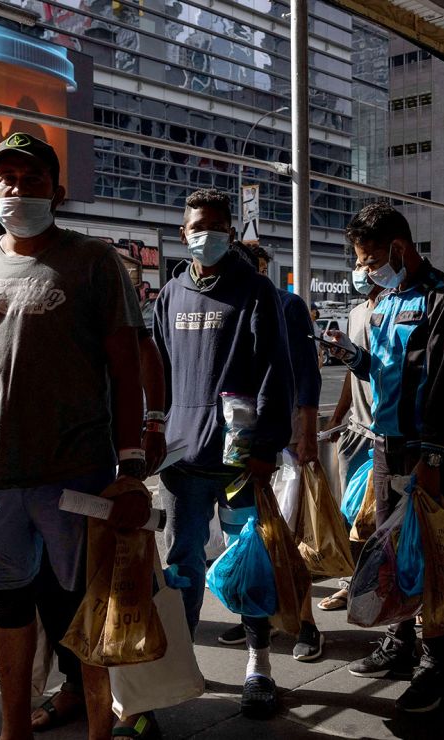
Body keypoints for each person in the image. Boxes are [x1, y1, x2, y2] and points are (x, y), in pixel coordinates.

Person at [0, 133, 150, 740]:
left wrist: (132, 464)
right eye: (5, 178)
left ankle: (99, 731)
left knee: (79, 609)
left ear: (57, 191)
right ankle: (14, 728)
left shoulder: (93, 260)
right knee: (9, 603)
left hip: (76, 474)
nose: (17, 188)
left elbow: (126, 363)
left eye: (32, 178)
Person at [153, 188, 294, 719]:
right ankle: (183, 661)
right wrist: (153, 434)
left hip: (239, 461)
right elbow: (160, 374)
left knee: (249, 560)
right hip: (182, 462)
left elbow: (276, 371)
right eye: (196, 225)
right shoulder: (170, 295)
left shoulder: (256, 291)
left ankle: (259, 664)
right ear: (182, 229)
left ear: (231, 232)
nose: (204, 234)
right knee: (181, 561)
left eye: (215, 225)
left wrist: (265, 447)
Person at [324, 202, 444, 713]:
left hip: (427, 452)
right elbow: (379, 369)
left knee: (430, 557)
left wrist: (431, 456)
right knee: (389, 553)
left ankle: (438, 668)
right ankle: (401, 643)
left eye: (368, 259)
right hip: (384, 446)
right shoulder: (384, 300)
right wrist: (348, 354)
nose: (364, 270)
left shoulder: (443, 297)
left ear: (398, 248)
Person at [218, 244, 324, 661]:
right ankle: (254, 615)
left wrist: (307, 435)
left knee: (288, 534)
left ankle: (305, 623)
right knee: (245, 534)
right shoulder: (223, 304)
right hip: (236, 445)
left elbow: (307, 375)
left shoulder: (288, 305)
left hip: (283, 438)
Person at [319, 270, 382, 611]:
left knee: (385, 518)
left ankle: (388, 586)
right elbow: (351, 370)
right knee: (351, 515)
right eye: (358, 263)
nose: (362, 272)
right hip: (357, 430)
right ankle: (351, 582)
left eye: (370, 262)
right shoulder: (357, 312)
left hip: (388, 432)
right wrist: (339, 415)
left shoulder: (398, 307)